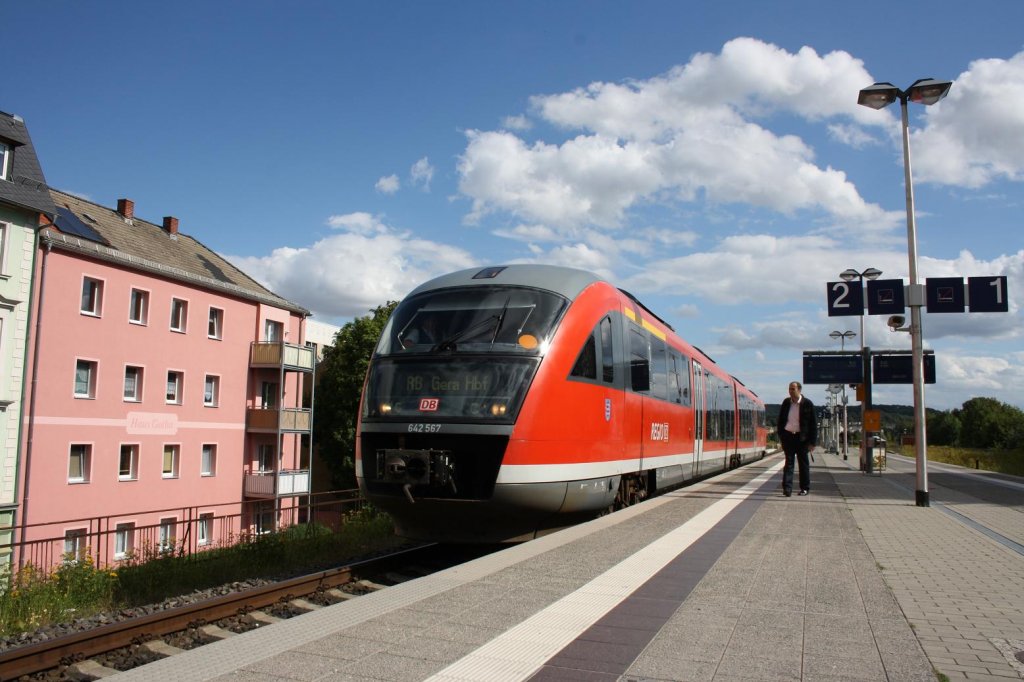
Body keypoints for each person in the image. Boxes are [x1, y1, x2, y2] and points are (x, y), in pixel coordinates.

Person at [776, 381, 817, 497]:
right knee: (789, 463)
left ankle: (804, 488)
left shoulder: (808, 404)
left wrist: (812, 442)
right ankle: (787, 489)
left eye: (793, 389)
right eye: (789, 389)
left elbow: (813, 424)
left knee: (803, 464)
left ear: (799, 390)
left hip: (802, 438)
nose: (790, 391)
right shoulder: (786, 403)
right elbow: (781, 420)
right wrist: (781, 435)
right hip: (788, 436)